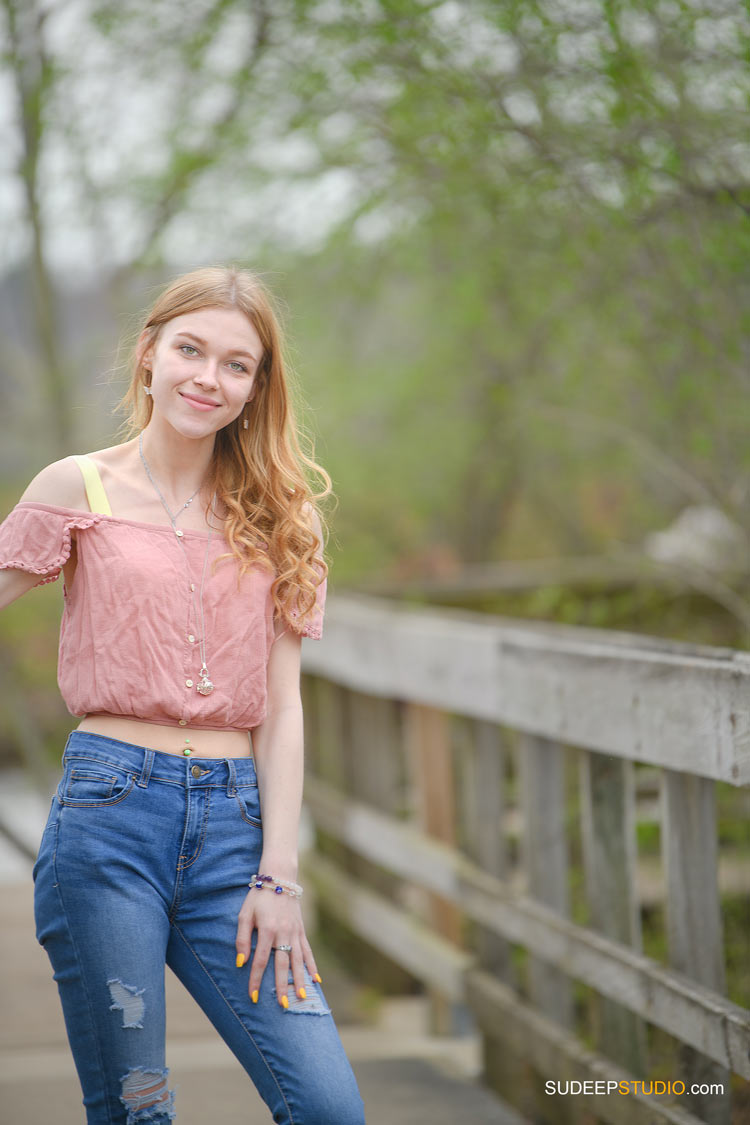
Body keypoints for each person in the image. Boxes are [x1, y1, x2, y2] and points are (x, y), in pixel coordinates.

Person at [0, 266, 365, 1125]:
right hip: (108, 822)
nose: (209, 376)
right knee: (136, 1111)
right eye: (191, 350)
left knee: (328, 1108)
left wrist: (282, 869)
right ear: (148, 356)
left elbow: (283, 705)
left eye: (237, 364)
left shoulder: (284, 514)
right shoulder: (75, 488)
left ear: (256, 387)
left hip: (238, 838)